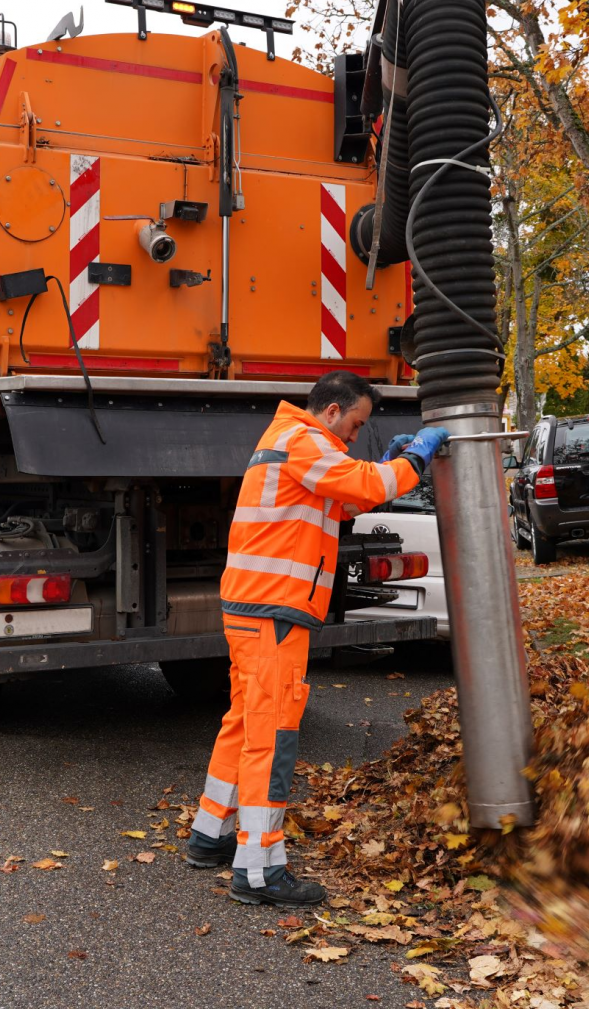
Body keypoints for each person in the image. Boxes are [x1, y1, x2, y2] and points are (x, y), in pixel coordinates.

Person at [185, 370, 448, 906]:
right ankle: (258, 870)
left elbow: (347, 499)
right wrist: (414, 459)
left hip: (252, 604)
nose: (355, 435)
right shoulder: (305, 441)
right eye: (356, 423)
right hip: (275, 610)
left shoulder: (288, 443)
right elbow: (366, 487)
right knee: (273, 732)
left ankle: (211, 833)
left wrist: (385, 466)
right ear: (332, 411)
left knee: (244, 719)